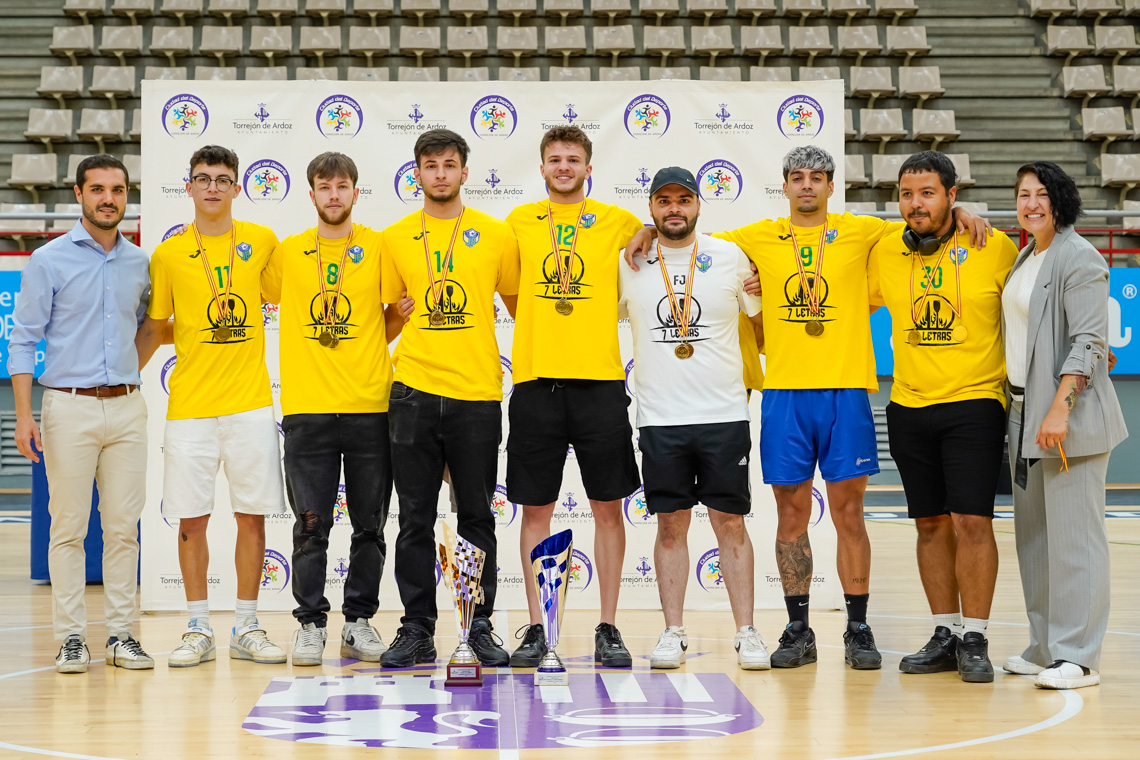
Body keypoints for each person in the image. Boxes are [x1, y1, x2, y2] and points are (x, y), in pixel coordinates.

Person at [626, 146, 989, 670]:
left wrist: (961, 214)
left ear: (830, 186)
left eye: (816, 177)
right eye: (796, 177)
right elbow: (684, 237)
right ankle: (798, 628)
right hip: (784, 398)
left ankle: (857, 628)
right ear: (785, 186)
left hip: (846, 393)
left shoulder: (863, 231)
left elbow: (923, 221)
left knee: (848, 516)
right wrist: (644, 229)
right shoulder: (753, 238)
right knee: (790, 516)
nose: (806, 186)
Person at [868, 151, 1019, 683]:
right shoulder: (884, 249)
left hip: (975, 402)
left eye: (928, 193)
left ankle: (975, 635)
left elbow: (1033, 303)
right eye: (907, 194)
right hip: (909, 404)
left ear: (953, 196)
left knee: (972, 520)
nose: (916, 204)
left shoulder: (993, 246)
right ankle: (945, 631)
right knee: (929, 523)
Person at [135, 145, 286, 667]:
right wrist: (118, 380)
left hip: (249, 406)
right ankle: (198, 626)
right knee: (190, 522)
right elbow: (157, 328)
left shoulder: (263, 242)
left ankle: (247, 625)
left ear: (237, 187)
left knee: (252, 520)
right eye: (204, 178)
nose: (214, 187)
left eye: (224, 179)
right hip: (191, 409)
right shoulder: (169, 253)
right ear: (190, 186)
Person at [264, 152, 414, 666]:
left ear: (356, 192)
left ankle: (358, 621)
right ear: (310, 194)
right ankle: (310, 623)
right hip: (307, 410)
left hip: (372, 407)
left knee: (369, 524)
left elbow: (394, 316)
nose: (333, 194)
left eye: (342, 186)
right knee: (311, 525)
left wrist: (371, 340)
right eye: (323, 186)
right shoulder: (287, 253)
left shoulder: (378, 247)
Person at [504, 126, 645, 668]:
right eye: (554, 159)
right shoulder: (519, 221)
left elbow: (659, 236)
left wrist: (650, 229)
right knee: (534, 510)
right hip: (537, 383)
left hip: (599, 384)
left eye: (574, 159)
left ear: (590, 166)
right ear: (541, 167)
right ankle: (539, 628)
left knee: (607, 509)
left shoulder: (619, 221)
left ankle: (608, 626)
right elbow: (512, 294)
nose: (564, 166)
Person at [378, 129, 520, 668]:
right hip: (412, 391)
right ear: (416, 173)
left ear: (466, 171)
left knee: (477, 517)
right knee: (414, 517)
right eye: (430, 165)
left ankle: (477, 624)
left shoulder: (495, 233)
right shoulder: (395, 237)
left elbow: (517, 304)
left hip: (476, 392)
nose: (440, 173)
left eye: (449, 164)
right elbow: (388, 320)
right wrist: (405, 316)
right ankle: (417, 627)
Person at [8, 155, 155, 674]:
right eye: (98, 189)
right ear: (78, 194)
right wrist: (25, 416)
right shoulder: (48, 259)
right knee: (67, 528)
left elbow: (145, 329)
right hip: (66, 408)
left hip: (127, 409)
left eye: (117, 189)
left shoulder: (140, 262)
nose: (108, 198)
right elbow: (22, 341)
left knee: (122, 529)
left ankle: (121, 636)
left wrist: (124, 375)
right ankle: (71, 638)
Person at [619, 167, 767, 670]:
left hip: (725, 413)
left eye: (684, 199)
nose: (674, 209)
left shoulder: (731, 257)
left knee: (731, 522)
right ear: (651, 208)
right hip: (660, 417)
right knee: (669, 527)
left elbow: (761, 326)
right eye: (664, 201)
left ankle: (747, 632)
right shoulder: (630, 261)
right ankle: (672, 631)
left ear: (699, 205)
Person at [1001, 161, 1127, 689]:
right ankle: (1045, 645)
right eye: (1023, 194)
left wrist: (1059, 408)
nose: (1031, 203)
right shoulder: (1028, 255)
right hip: (1022, 412)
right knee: (1036, 539)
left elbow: (1091, 341)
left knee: (1076, 539)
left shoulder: (1080, 256)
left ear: (1061, 199)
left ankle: (1078, 655)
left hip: (1065, 418)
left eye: (1041, 194)